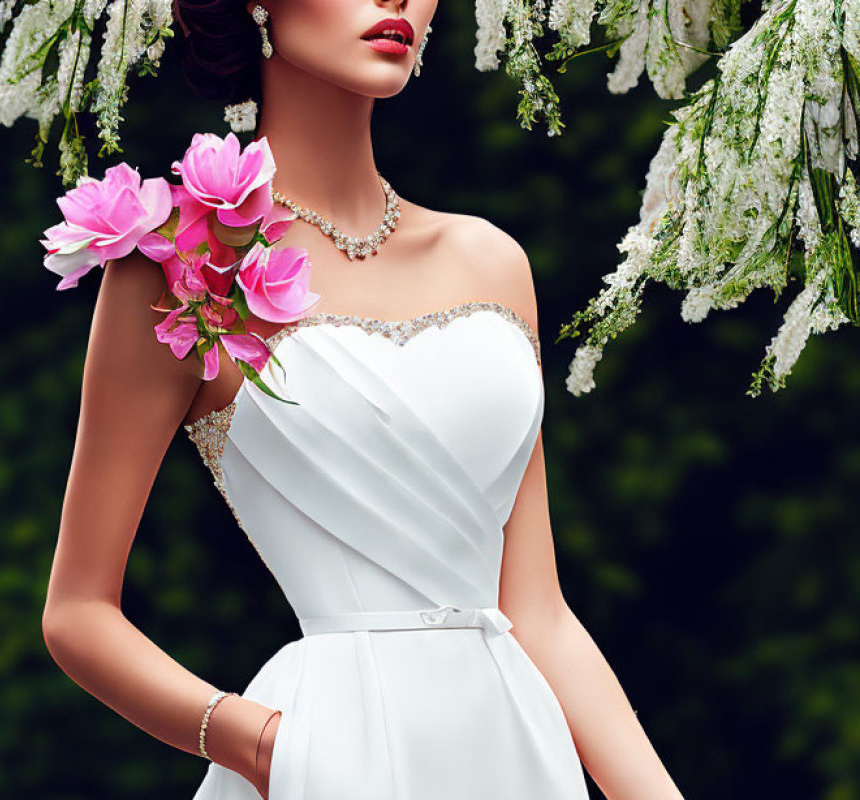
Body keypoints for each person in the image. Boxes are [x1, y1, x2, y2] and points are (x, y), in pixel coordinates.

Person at [40, 1, 685, 798]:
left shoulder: (491, 261)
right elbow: (76, 612)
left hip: (512, 751)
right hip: (332, 754)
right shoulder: (181, 268)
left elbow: (539, 612)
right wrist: (264, 744)